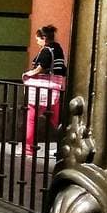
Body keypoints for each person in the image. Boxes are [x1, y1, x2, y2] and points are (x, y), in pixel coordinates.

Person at [22, 24, 67, 156]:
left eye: (38, 39)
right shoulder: (58, 48)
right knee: (57, 119)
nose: (37, 42)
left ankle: (29, 148)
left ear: (44, 38)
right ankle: (62, 147)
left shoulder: (46, 50)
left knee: (31, 118)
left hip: (39, 88)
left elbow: (42, 66)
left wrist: (29, 73)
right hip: (55, 88)